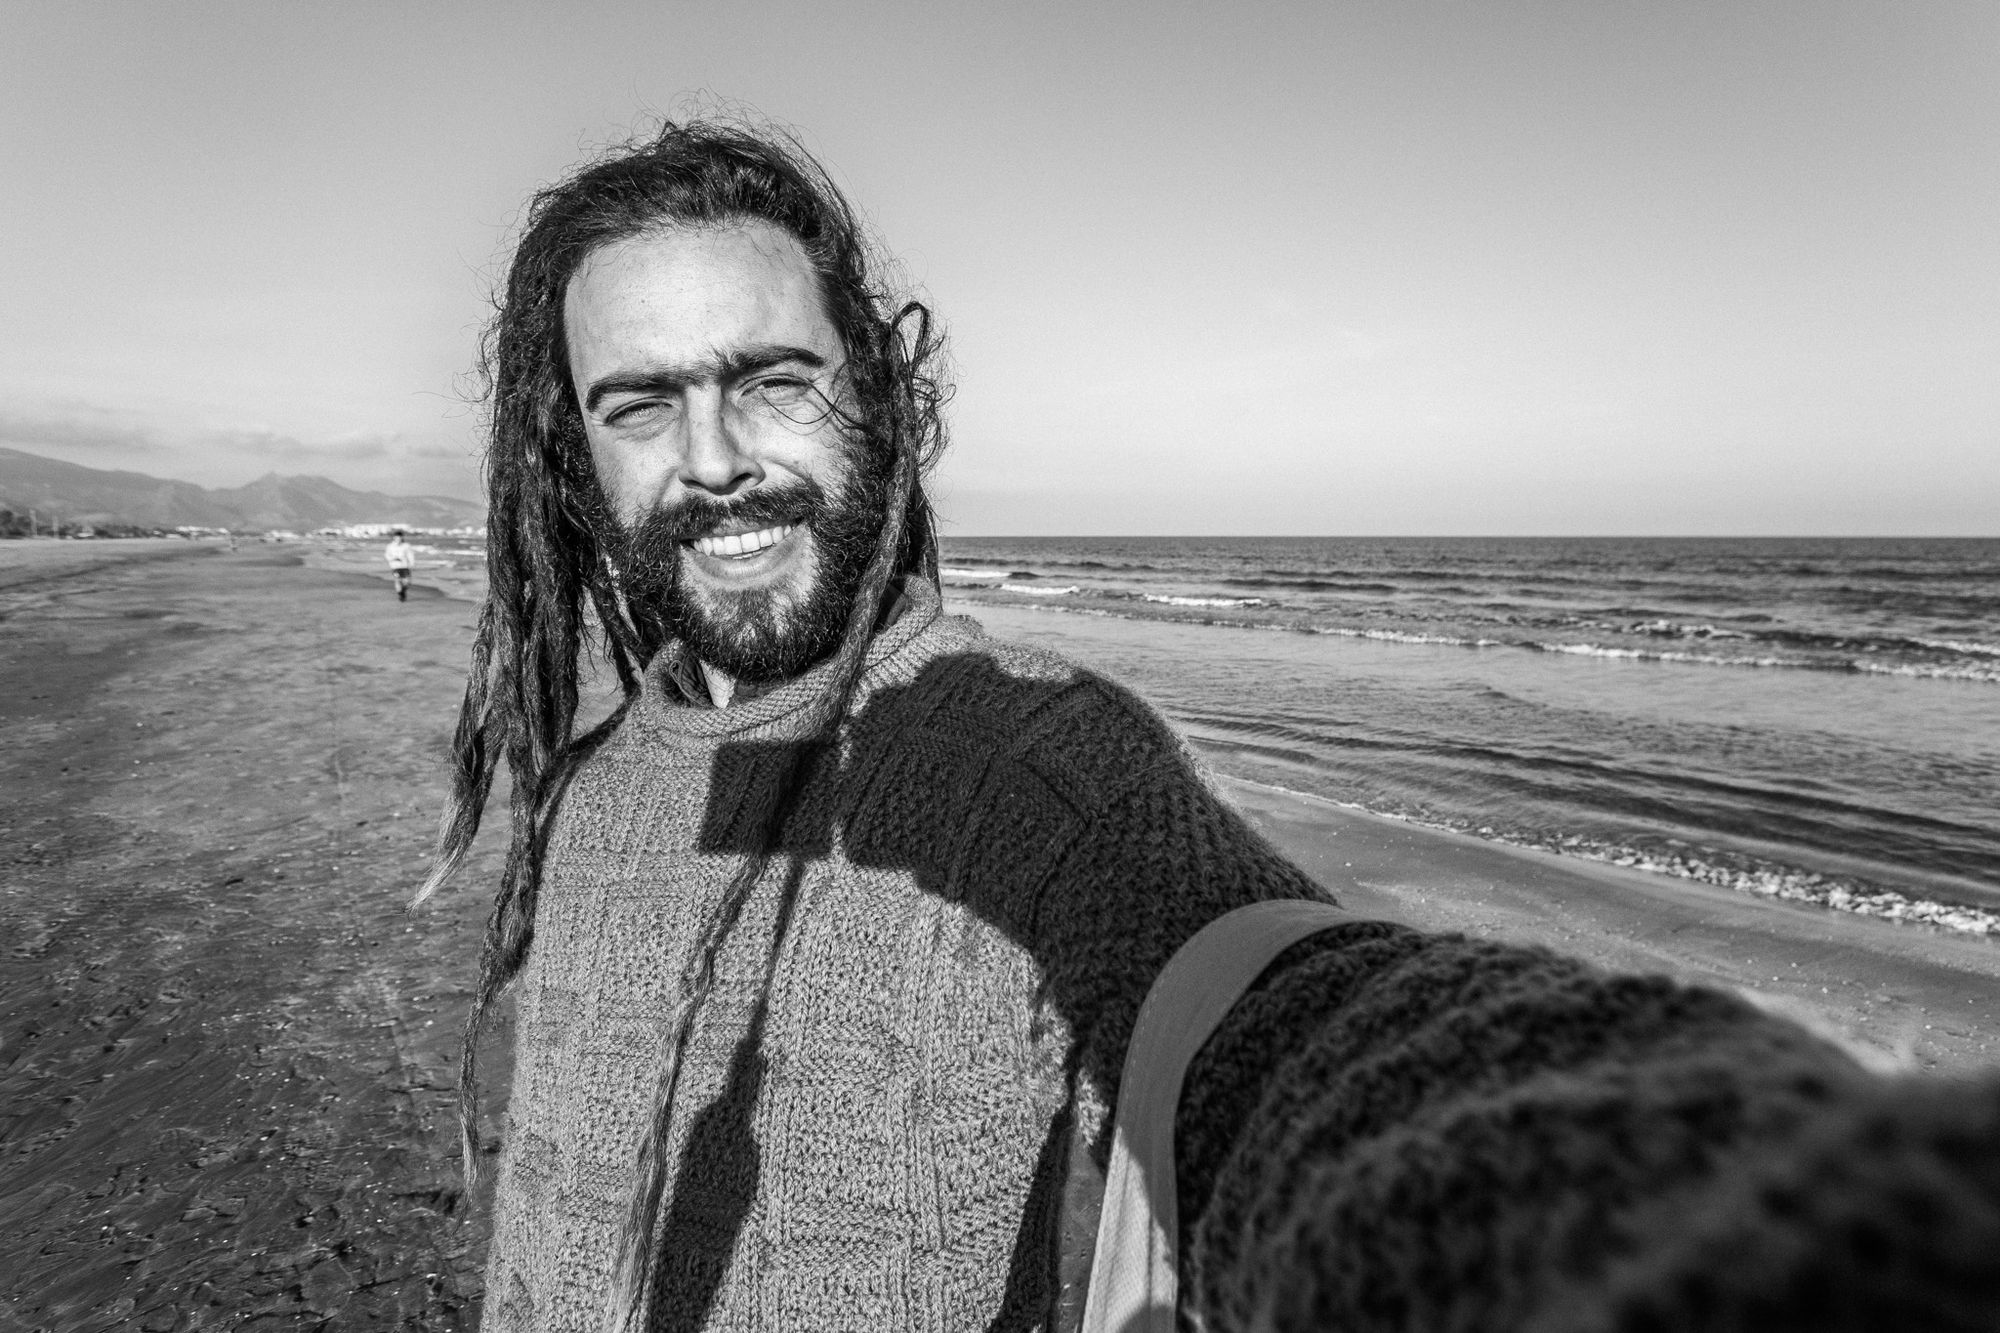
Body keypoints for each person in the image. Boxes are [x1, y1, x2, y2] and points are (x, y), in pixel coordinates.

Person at [418, 121, 2000, 1333]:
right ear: (576, 458)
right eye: (642, 403)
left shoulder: (1040, 763)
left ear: (876, 401)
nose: (713, 457)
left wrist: (1734, 1201)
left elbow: (1275, 1008)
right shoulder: (589, 790)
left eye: (769, 379)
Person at [384, 531, 416, 601]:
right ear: (394, 538)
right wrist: (393, 558)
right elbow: (387, 555)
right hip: (395, 566)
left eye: (400, 538)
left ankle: (403, 591)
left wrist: (412, 563)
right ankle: (400, 594)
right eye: (396, 538)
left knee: (407, 582)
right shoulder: (390, 546)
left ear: (402, 538)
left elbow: (410, 555)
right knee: (397, 580)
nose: (398, 539)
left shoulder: (406, 545)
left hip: (405, 566)